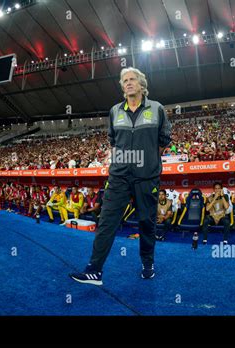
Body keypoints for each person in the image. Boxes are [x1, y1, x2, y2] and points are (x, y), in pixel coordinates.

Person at [70, 67, 172, 285]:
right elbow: (114, 142)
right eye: (124, 80)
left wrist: (147, 163)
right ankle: (94, 270)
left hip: (147, 178)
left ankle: (147, 263)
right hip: (118, 177)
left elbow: (163, 141)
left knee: (146, 222)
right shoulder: (115, 111)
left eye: (132, 79)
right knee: (106, 221)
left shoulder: (157, 109)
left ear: (142, 84)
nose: (128, 82)